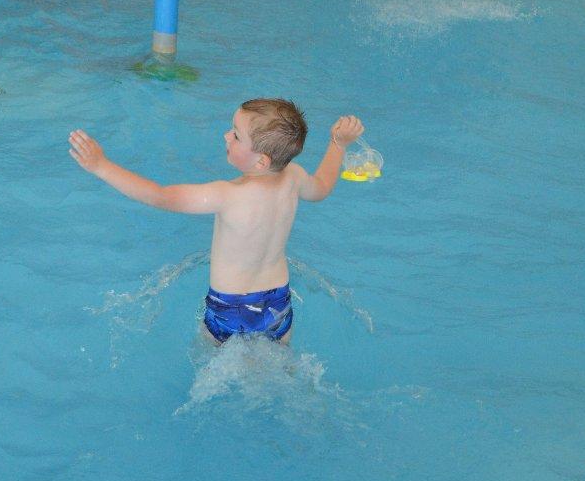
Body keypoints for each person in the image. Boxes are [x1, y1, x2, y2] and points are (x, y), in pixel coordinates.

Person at [69, 99, 365, 345]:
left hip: (229, 306)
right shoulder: (295, 177)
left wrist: (101, 166)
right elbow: (322, 187)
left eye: (236, 135)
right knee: (282, 363)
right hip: (278, 302)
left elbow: (160, 196)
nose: (226, 136)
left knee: (208, 359)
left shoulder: (226, 194)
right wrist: (338, 144)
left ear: (261, 161)